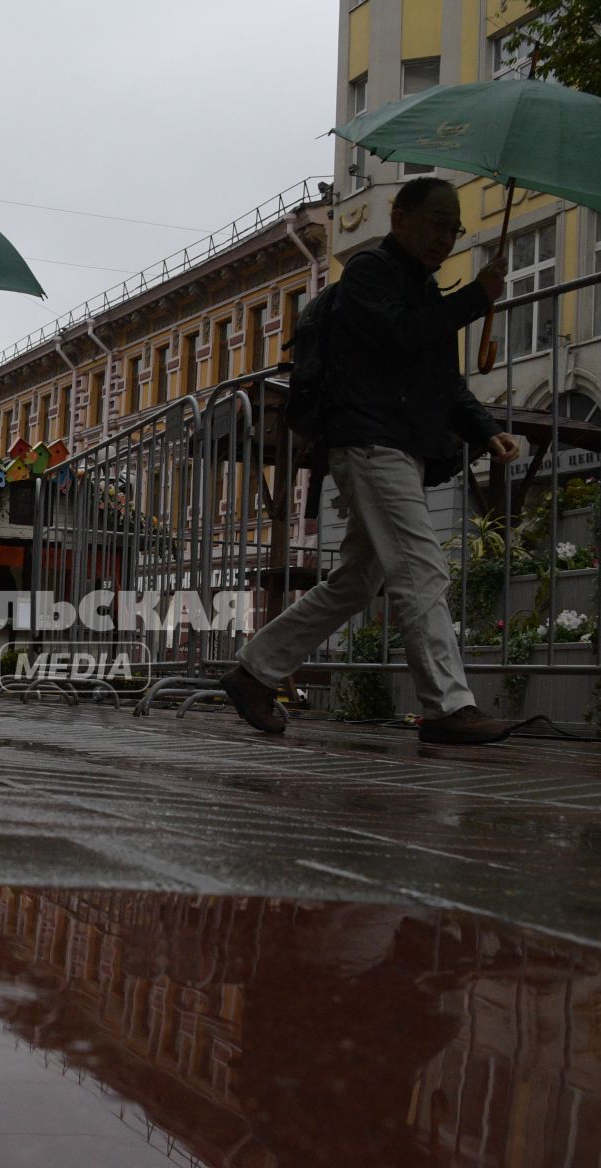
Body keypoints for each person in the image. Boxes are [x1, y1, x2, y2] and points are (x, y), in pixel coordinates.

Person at [221, 176, 523, 746]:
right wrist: (478, 296)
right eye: (437, 222)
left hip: (397, 446)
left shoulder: (425, 291)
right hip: (369, 441)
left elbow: (443, 381)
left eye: (453, 228)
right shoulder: (368, 274)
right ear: (400, 216)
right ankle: (446, 705)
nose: (446, 237)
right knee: (421, 565)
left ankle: (252, 671)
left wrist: (486, 433)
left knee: (357, 581)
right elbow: (401, 337)